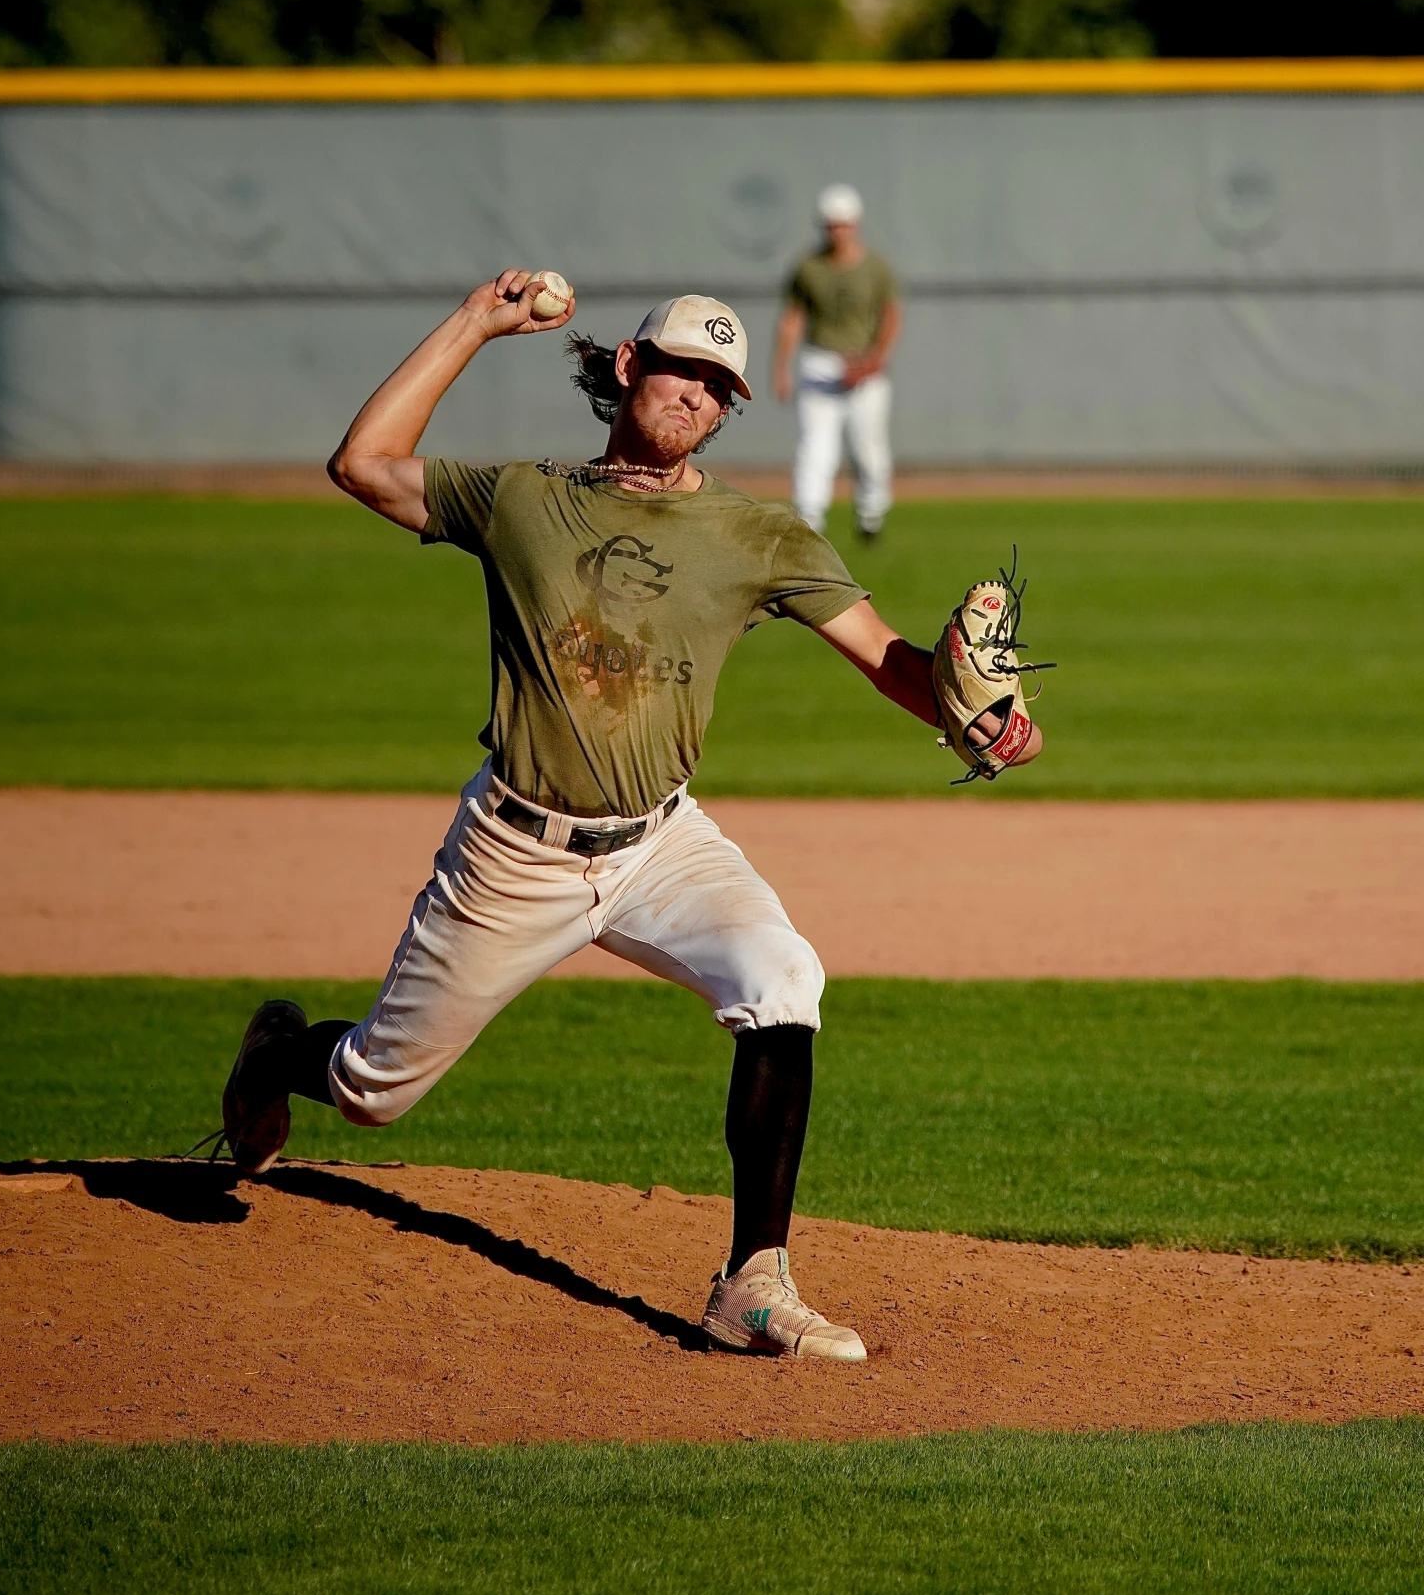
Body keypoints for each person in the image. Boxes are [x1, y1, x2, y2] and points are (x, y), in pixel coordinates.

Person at [218, 270, 1042, 1363]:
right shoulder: (522, 501)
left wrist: (967, 710)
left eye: (720, 385)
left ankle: (754, 1285)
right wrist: (478, 322)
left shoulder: (759, 536)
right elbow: (362, 465)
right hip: (515, 852)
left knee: (783, 977)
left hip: (662, 841)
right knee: (373, 1092)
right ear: (628, 368)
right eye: (682, 369)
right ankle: (276, 1053)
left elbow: (889, 660)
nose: (697, 394)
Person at [774, 183, 900, 542]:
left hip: (864, 366)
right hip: (820, 362)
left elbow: (891, 316)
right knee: (815, 446)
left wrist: (876, 358)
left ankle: (871, 513)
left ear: (856, 224)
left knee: (869, 448)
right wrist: (781, 369)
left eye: (844, 224)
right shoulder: (808, 267)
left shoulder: (876, 267)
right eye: (832, 225)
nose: (838, 232)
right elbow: (793, 319)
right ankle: (810, 517)